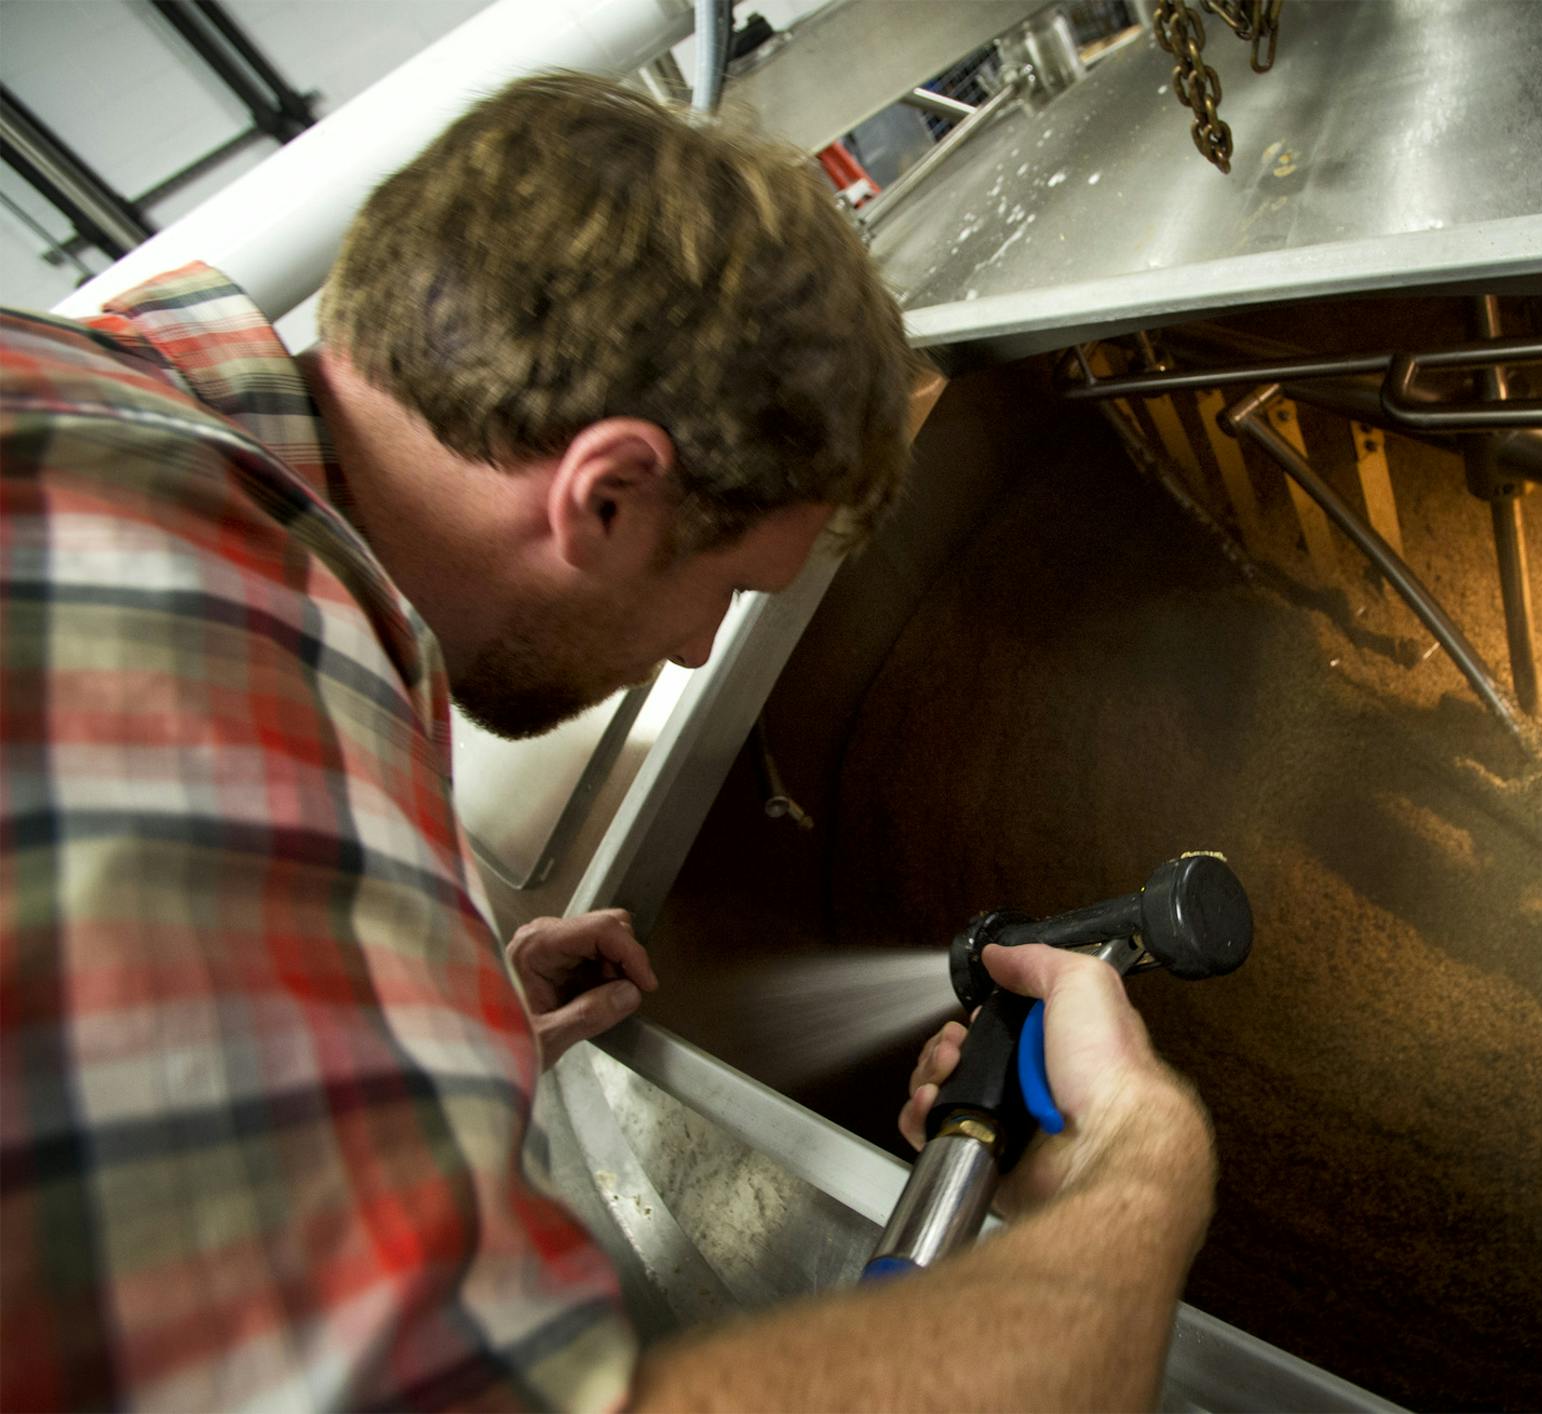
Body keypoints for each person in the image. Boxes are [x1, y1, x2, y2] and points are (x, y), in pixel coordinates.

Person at [0, 72, 1214, 1410]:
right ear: (610, 494)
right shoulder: (231, 705)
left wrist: (437, 1014)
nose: (697, 651)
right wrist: (1143, 1171)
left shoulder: (77, 402)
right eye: (728, 589)